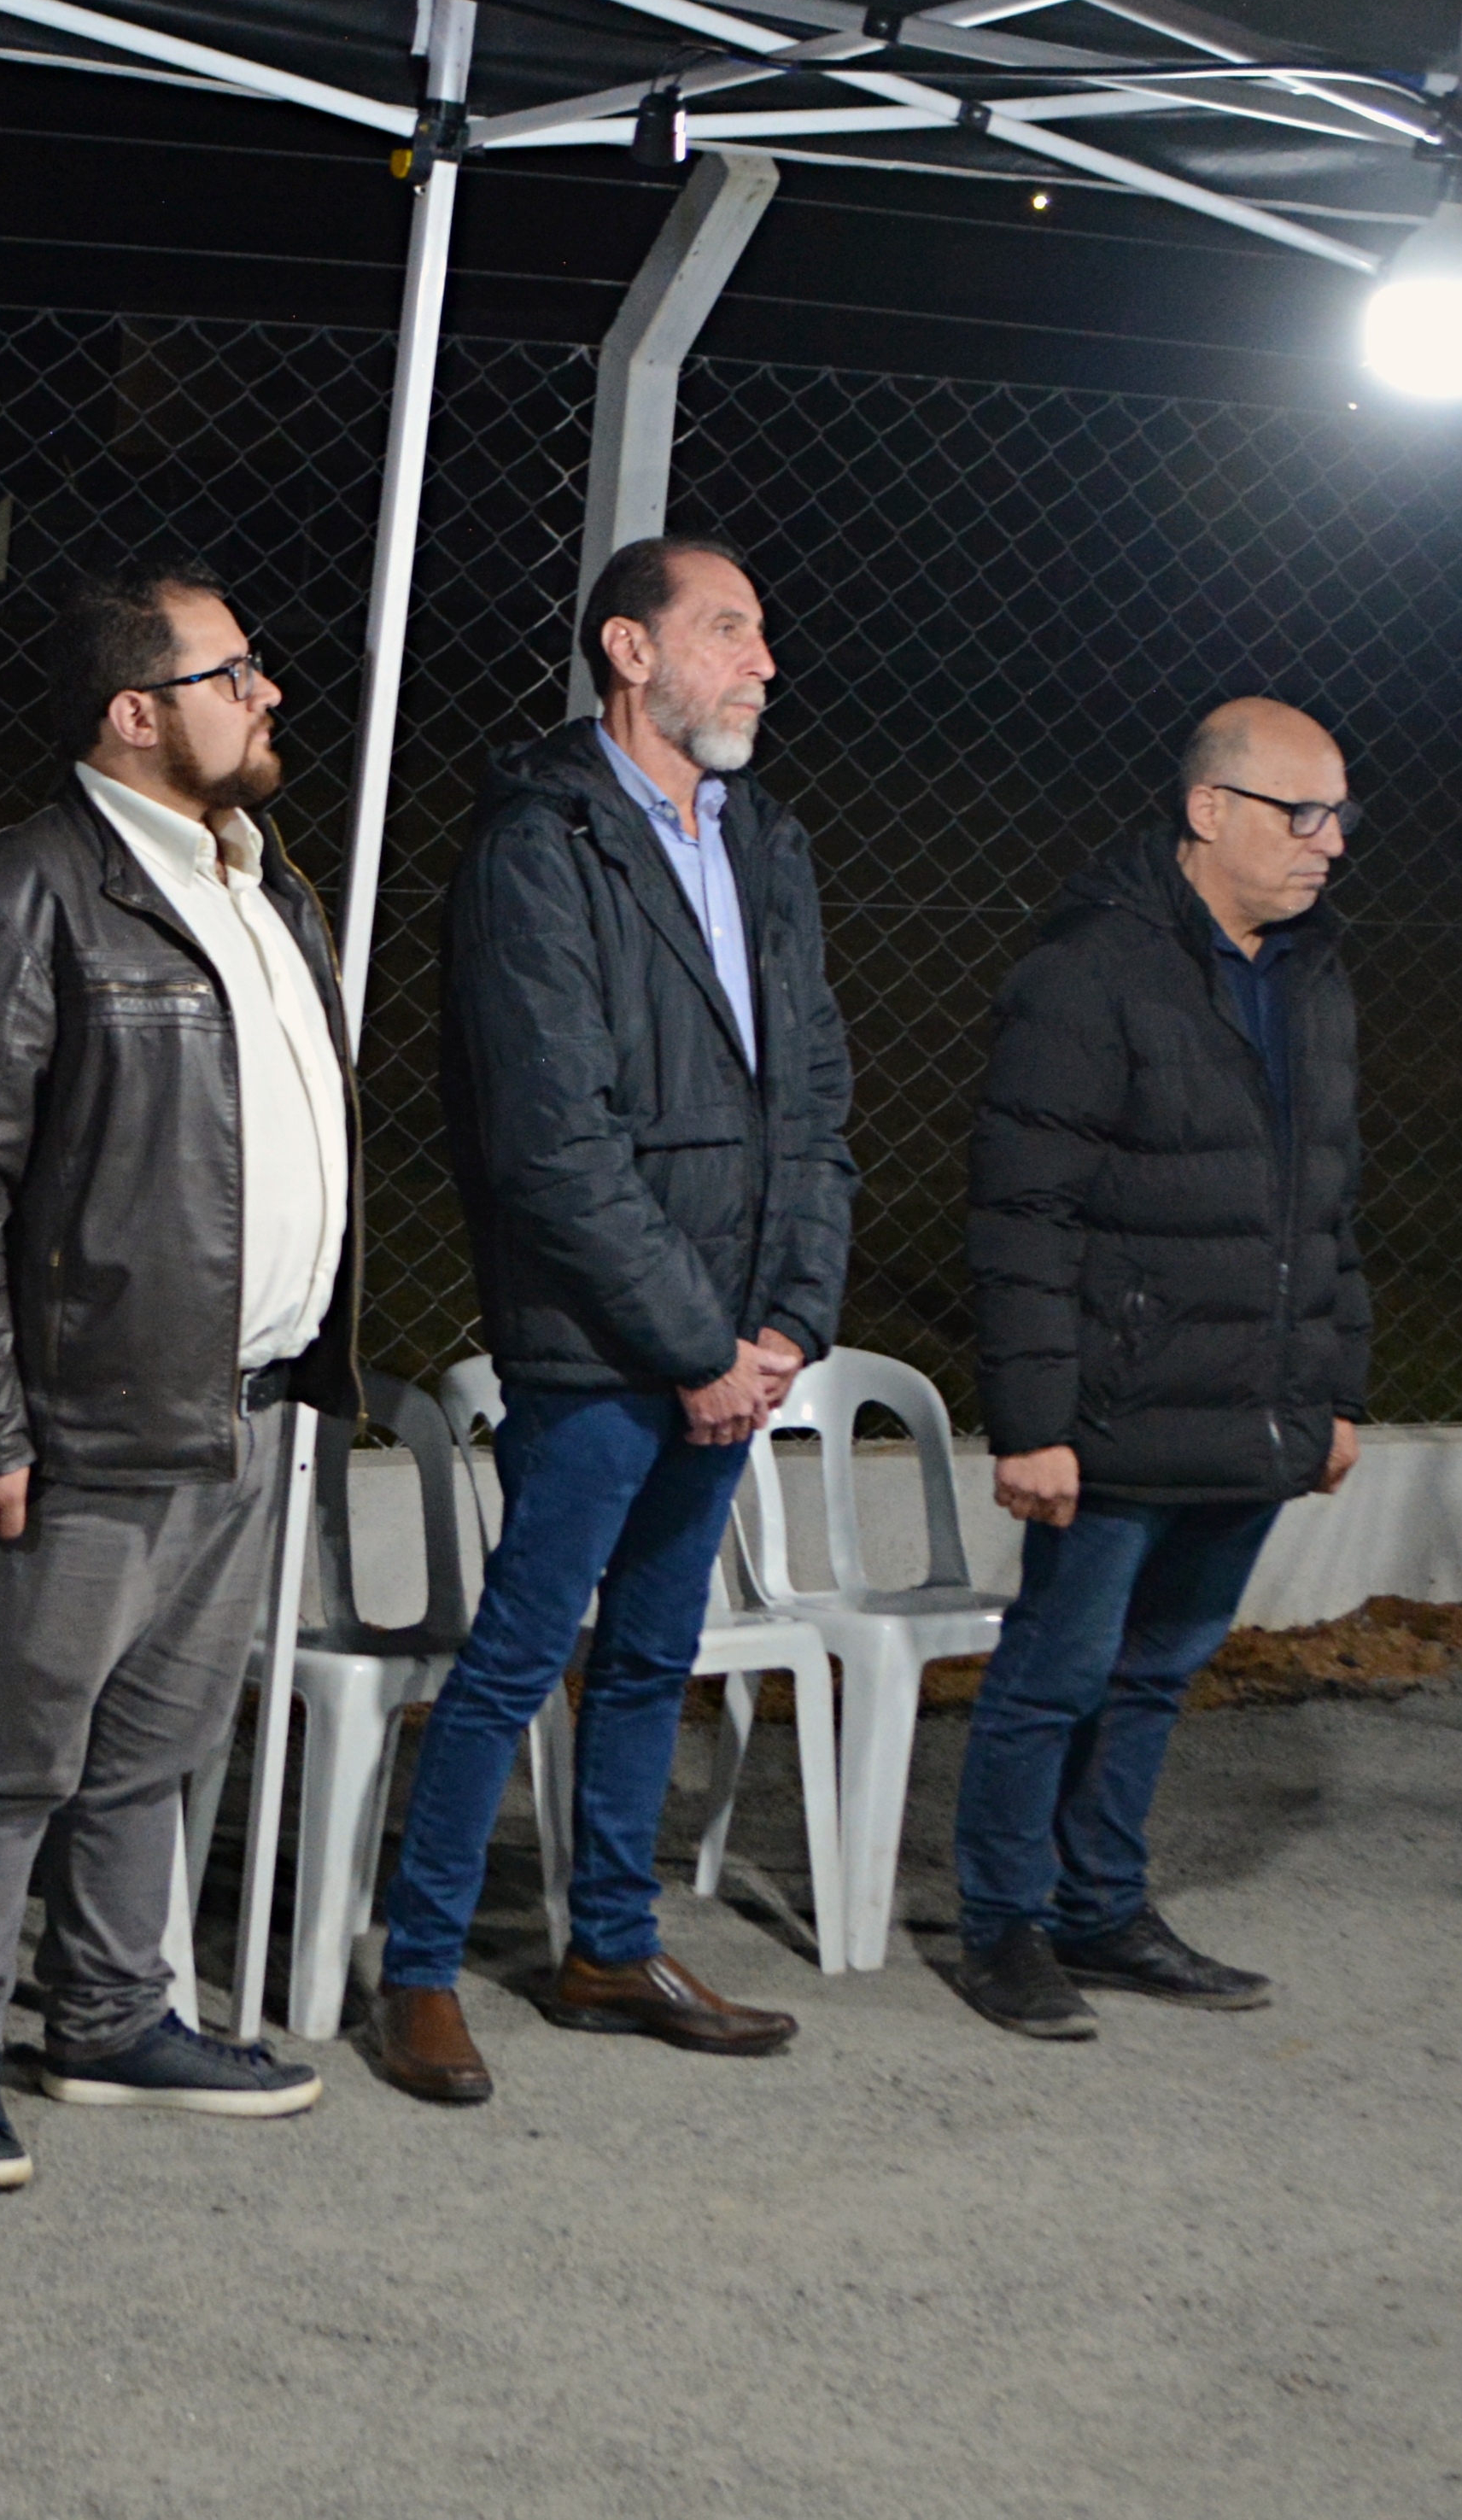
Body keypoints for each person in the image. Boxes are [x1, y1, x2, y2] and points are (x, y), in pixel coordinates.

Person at [0, 561, 347, 2190]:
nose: (265, 695)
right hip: (84, 1430)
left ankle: (112, 2011)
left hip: (247, 1404)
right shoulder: (24, 893)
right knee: (12, 1749)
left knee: (157, 1742)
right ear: (135, 714)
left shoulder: (262, 884)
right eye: (233, 675)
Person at [371, 534, 854, 2106]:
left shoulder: (761, 837)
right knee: (520, 1657)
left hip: (733, 1344)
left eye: (762, 630)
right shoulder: (542, 843)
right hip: (604, 1344)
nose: (761, 659)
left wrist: (784, 1325)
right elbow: (551, 1141)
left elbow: (816, 1101)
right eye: (728, 628)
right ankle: (421, 1969)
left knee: (653, 1657)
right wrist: (695, 1346)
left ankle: (609, 1947)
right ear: (628, 652)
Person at [953, 699, 1364, 2038]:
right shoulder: (1087, 970)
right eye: (1298, 814)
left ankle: (1101, 1904)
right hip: (1111, 1410)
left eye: (1337, 816)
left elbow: (1327, 1204)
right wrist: (1030, 1421)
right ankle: (1002, 1923)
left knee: (1155, 1673)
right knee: (1052, 1673)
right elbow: (1022, 1211)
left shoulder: (1310, 974)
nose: (1328, 844)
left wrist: (1330, 1393)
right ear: (1207, 811)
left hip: (1250, 1411)